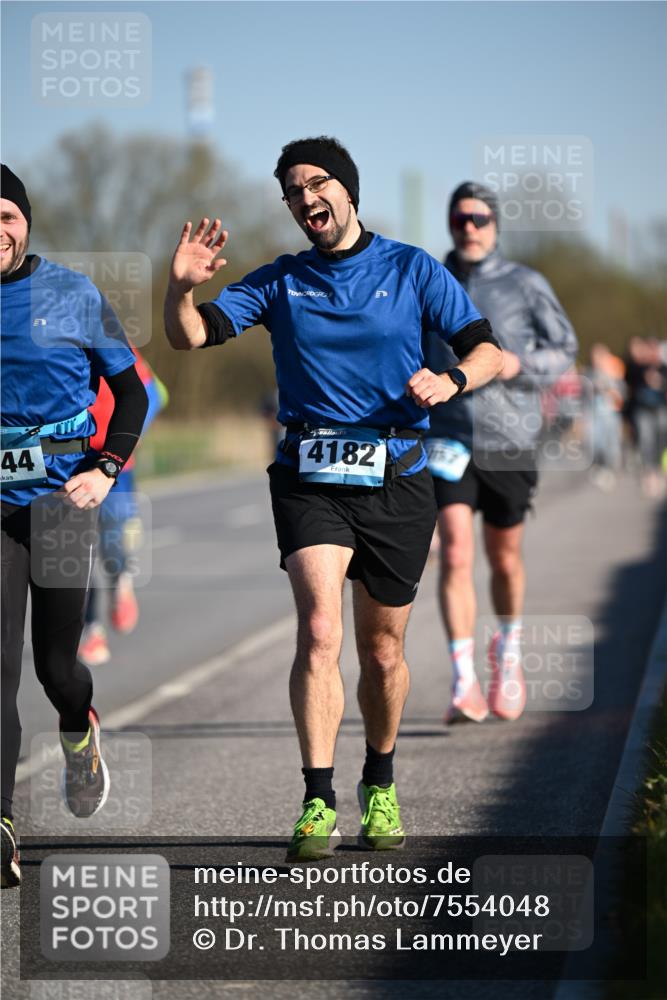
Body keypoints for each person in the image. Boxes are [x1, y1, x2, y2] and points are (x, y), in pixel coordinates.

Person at [164, 136, 504, 862]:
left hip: (397, 475)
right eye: (291, 191)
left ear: (347, 190)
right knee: (319, 630)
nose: (303, 199)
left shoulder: (412, 268)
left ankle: (378, 781)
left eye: (314, 184)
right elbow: (189, 337)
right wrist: (179, 289)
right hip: (309, 473)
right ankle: (316, 798)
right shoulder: (280, 280)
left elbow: (489, 348)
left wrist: (451, 382)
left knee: (382, 650)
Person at [0, 165, 148, 888]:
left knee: (55, 668)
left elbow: (129, 395)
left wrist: (107, 467)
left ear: (25, 222)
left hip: (60, 500)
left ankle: (77, 728)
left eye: (6, 216)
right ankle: (2, 823)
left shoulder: (71, 293)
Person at [423, 182, 578, 726]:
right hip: (447, 439)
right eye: (460, 216)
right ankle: (463, 679)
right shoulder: (429, 280)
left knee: (504, 557)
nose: (469, 226)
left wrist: (519, 366)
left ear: (494, 225)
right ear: (450, 222)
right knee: (457, 552)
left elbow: (565, 348)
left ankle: (506, 655)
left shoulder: (526, 283)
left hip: (510, 439)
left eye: (480, 217)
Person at [78, 350, 168, 667]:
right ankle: (92, 629)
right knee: (77, 552)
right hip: (70, 459)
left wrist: (132, 432)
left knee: (111, 542)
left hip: (114, 461)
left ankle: (121, 579)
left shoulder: (114, 340)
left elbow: (156, 392)